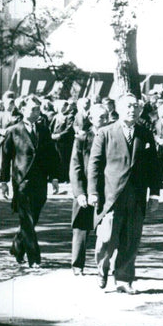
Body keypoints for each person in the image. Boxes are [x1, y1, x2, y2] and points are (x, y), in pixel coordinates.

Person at [88, 93, 162, 294]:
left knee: (131, 239)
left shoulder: (145, 133)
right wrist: (93, 191)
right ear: (118, 109)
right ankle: (102, 268)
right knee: (106, 239)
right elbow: (94, 164)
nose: (132, 110)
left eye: (136, 106)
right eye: (128, 106)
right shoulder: (105, 133)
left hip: (136, 196)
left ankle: (123, 278)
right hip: (111, 196)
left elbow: (154, 165)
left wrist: (154, 194)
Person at [0, 95, 61, 268]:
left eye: (38, 109)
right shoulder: (14, 130)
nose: (36, 112)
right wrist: (3, 181)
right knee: (26, 219)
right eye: (33, 109)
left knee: (32, 219)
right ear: (23, 109)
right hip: (22, 182)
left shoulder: (44, 129)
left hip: (40, 181)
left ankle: (17, 246)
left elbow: (51, 155)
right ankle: (34, 259)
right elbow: (5, 158)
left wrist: (54, 177)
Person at [69, 104, 109, 275]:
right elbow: (75, 166)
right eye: (100, 117)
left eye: (106, 116)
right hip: (85, 189)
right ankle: (77, 265)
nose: (105, 120)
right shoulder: (82, 138)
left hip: (107, 190)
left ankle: (105, 266)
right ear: (91, 119)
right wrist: (79, 193)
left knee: (107, 230)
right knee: (81, 228)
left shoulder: (113, 137)